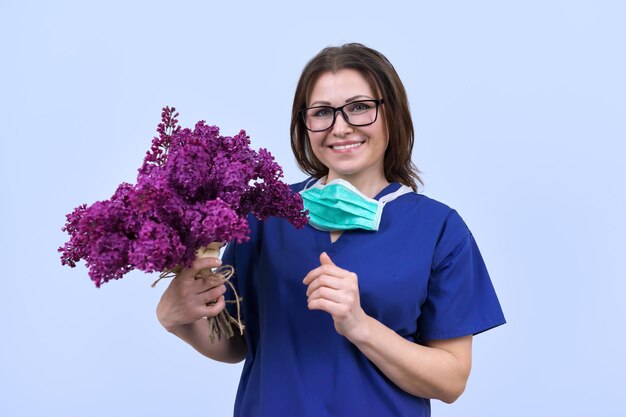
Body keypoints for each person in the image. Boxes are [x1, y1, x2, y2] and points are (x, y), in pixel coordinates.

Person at [156, 43, 506, 417]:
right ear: (304, 124)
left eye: (359, 107)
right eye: (322, 112)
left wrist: (360, 325)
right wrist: (179, 320)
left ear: (393, 114)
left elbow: (450, 381)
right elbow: (238, 343)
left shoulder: (439, 230)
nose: (340, 128)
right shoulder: (263, 216)